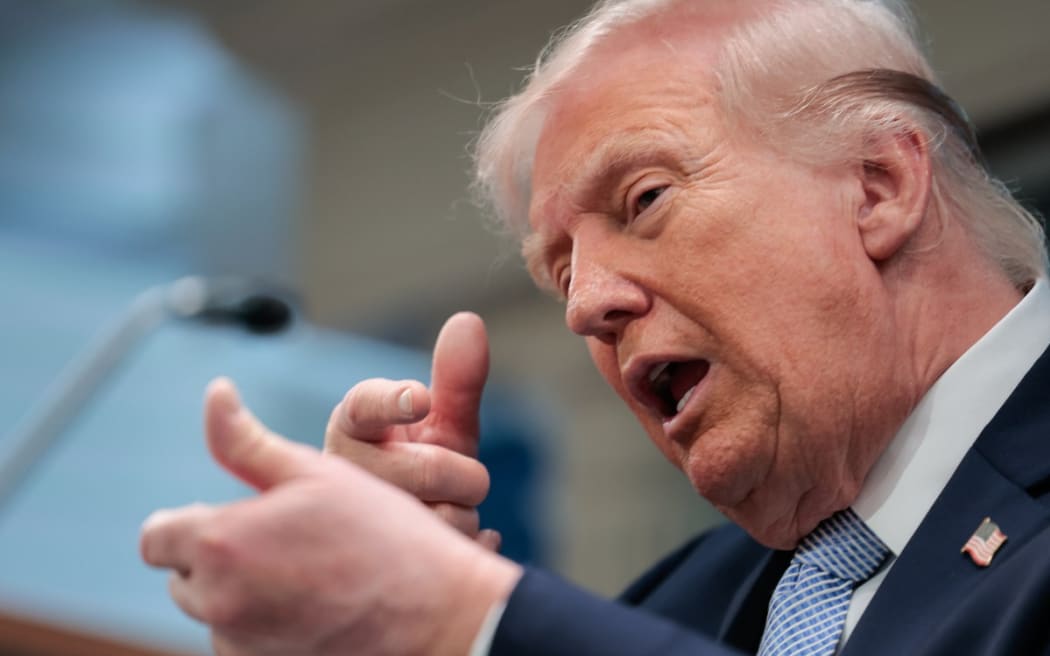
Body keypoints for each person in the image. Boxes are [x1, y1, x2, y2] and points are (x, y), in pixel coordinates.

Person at [140, 0, 1050, 654]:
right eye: (563, 272)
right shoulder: (677, 605)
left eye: (644, 199)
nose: (585, 307)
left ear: (879, 187)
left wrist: (469, 620)